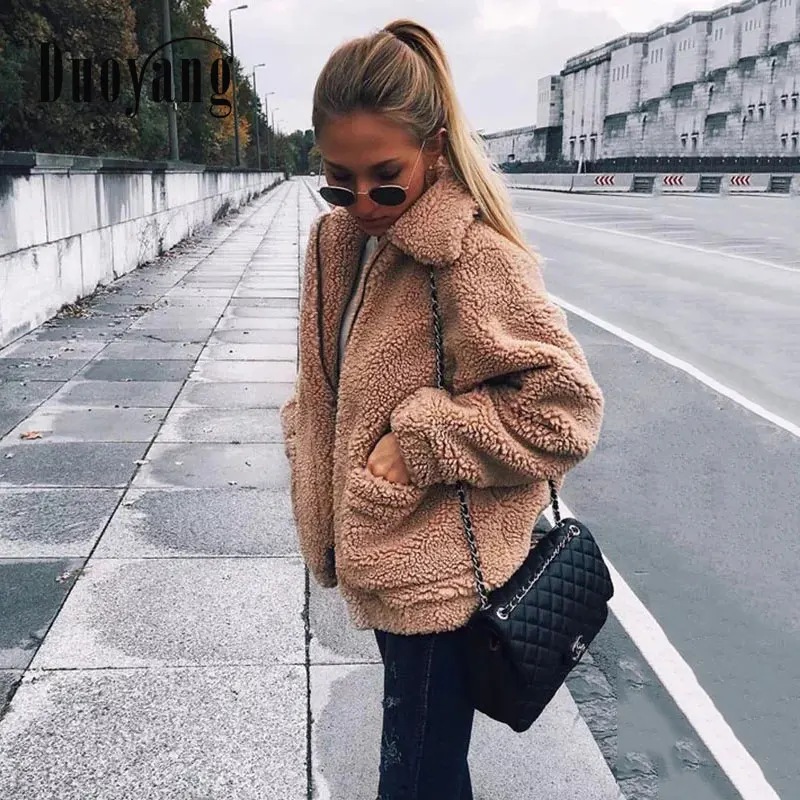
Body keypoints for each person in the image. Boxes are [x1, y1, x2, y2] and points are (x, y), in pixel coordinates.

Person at [280, 18, 605, 800]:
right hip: (386, 551)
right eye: (339, 179)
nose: (363, 201)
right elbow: (329, 381)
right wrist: (308, 440)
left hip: (443, 574)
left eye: (385, 178)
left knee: (415, 777)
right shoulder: (337, 244)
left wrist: (422, 439)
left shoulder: (471, 255)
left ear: (433, 147)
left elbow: (565, 412)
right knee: (427, 772)